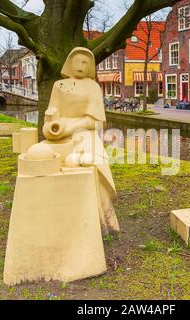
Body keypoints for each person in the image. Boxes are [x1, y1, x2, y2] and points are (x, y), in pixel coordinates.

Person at [42, 47, 120, 236]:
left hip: (85, 133)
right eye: (77, 61)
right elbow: (51, 115)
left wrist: (70, 126)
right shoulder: (59, 86)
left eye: (85, 62)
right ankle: (54, 218)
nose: (81, 65)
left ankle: (101, 219)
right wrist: (52, 126)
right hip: (60, 134)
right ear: (69, 63)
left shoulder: (93, 87)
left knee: (94, 163)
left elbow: (96, 121)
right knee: (41, 159)